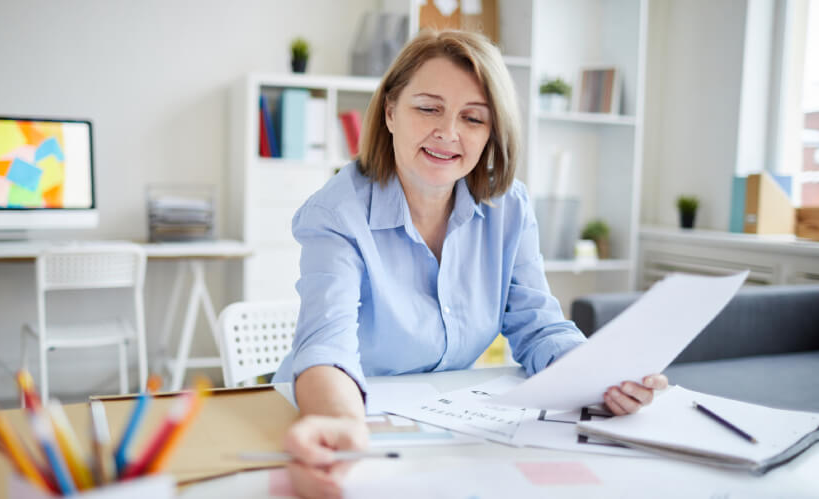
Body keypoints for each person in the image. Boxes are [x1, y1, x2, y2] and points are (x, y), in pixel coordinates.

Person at [272, 29, 668, 499]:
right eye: (428, 108)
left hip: (441, 430)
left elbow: (538, 327)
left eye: (473, 118)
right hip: (335, 420)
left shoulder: (509, 207)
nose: (449, 132)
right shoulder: (337, 213)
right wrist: (340, 425)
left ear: (491, 132)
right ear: (390, 111)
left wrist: (600, 375)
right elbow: (327, 347)